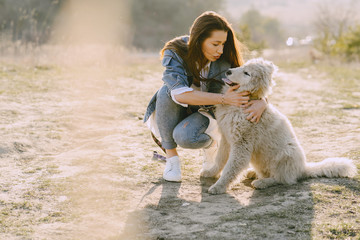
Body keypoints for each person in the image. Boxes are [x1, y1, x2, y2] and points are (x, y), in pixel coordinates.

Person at [143, 11, 267, 182]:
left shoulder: (225, 60)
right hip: (181, 106)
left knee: (185, 137)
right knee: (165, 91)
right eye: (215, 44)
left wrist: (262, 102)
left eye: (223, 44)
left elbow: (250, 83)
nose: (220, 50)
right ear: (199, 39)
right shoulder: (176, 51)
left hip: (210, 112)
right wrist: (224, 99)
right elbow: (179, 93)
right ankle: (172, 160)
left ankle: (212, 146)